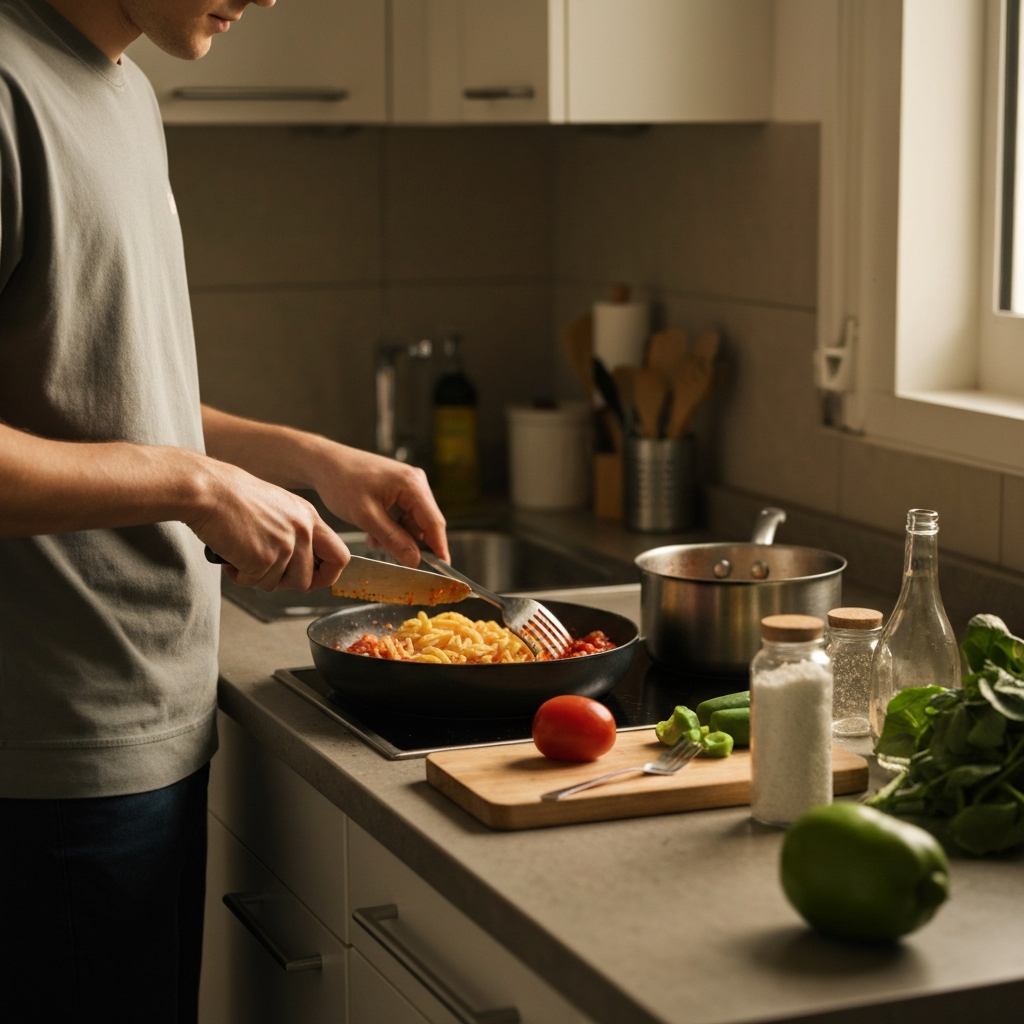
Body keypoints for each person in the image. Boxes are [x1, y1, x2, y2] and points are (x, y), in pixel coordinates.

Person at [0, 1, 449, 1020]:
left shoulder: (122, 87)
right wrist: (197, 485)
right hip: (43, 759)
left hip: (144, 720)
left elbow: (98, 383)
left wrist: (301, 457)